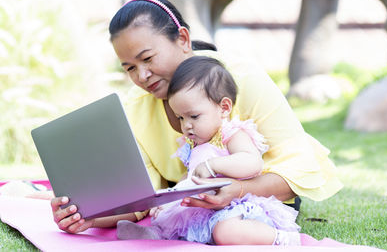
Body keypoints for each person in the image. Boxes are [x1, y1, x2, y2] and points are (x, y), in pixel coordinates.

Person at [50, 0, 343, 235]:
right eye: (129, 68)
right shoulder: (136, 108)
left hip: (258, 202)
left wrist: (238, 189)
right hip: (194, 207)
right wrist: (88, 218)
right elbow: (140, 199)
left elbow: (303, 170)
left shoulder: (242, 77)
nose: (142, 75)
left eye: (148, 58)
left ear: (183, 39)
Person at [116, 55, 301, 245]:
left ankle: (280, 239)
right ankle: (154, 235)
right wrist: (169, 201)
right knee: (172, 221)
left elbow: (253, 163)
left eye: (193, 116)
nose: (186, 125)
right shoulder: (193, 145)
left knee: (225, 231)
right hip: (205, 209)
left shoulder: (231, 134)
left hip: (235, 208)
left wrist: (213, 165)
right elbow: (189, 179)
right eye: (180, 118)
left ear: (224, 107)